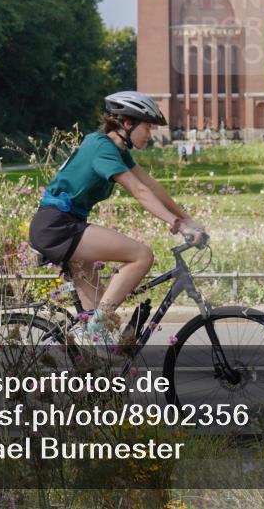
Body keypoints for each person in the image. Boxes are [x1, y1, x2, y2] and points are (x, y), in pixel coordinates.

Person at [28, 91, 206, 343]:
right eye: (148, 127)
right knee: (142, 256)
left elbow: (151, 185)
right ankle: (94, 331)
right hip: (58, 226)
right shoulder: (102, 148)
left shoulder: (114, 150)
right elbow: (139, 191)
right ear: (127, 123)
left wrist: (186, 218)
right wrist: (175, 224)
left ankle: (91, 369)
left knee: (101, 327)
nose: (150, 134)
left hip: (64, 224)